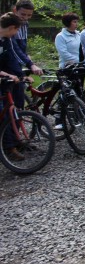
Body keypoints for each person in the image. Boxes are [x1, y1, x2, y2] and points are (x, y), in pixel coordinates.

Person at [0, 13, 27, 161]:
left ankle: (13, 144)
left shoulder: (7, 40)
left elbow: (13, 56)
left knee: (8, 111)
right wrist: (5, 74)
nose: (16, 34)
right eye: (16, 30)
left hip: (3, 79)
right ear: (11, 28)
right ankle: (9, 149)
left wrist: (21, 75)